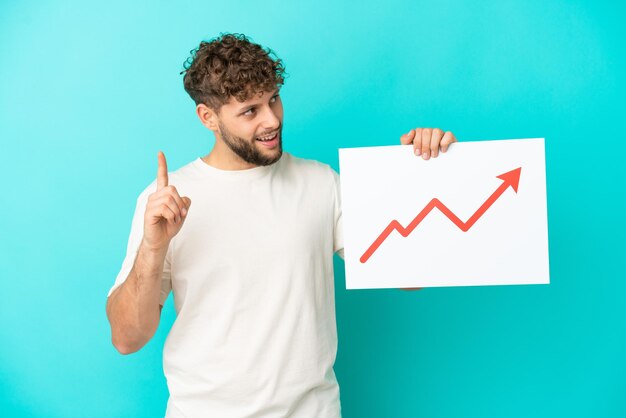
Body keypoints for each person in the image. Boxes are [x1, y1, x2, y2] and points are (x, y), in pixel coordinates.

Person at [105, 32, 457, 418]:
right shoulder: (168, 199)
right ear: (208, 117)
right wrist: (153, 248)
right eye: (250, 110)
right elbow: (126, 338)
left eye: (273, 98)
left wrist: (420, 177)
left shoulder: (321, 182)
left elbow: (409, 276)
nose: (272, 120)